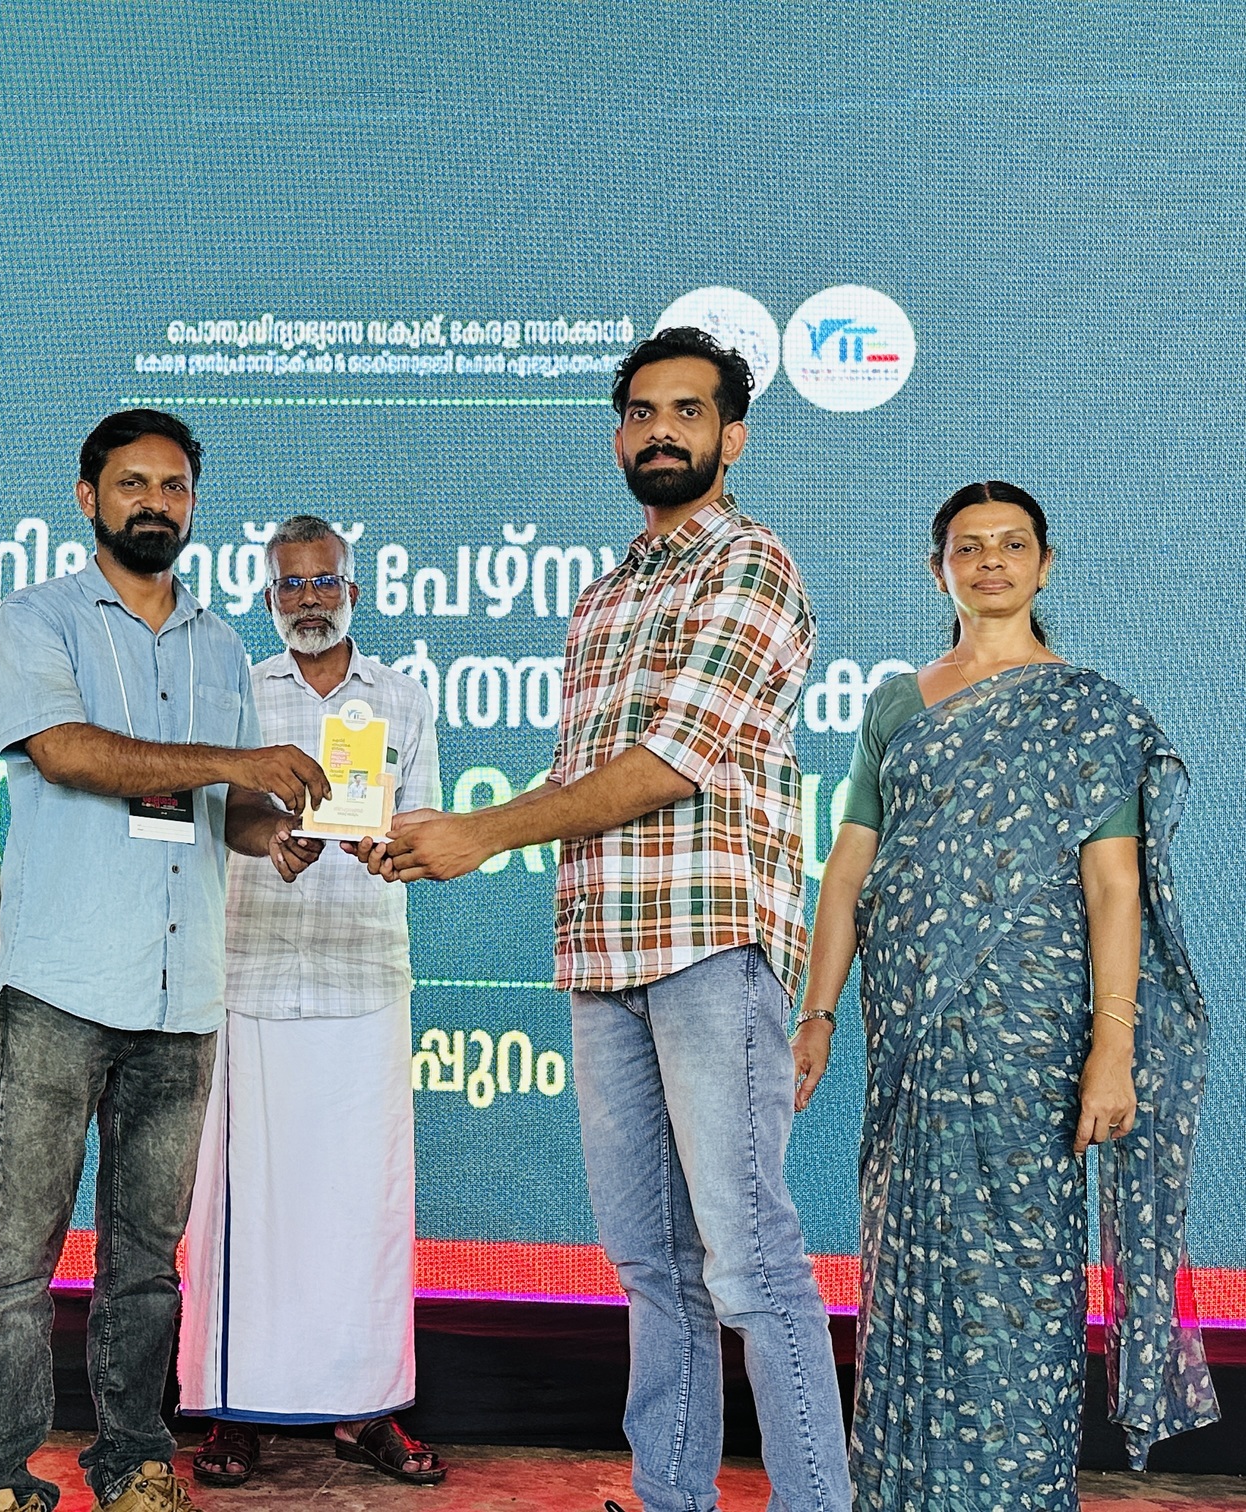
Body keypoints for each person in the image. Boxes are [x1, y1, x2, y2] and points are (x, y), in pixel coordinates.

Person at [364, 328, 851, 1511]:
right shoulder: (603, 596)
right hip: (600, 952)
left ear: (734, 436)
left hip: (708, 944)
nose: (661, 431)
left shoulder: (751, 566)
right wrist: (428, 832)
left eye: (688, 411)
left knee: (750, 1263)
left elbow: (673, 762)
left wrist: (483, 833)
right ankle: (670, 1496)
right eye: (640, 412)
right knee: (649, 1265)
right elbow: (581, 781)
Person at [791, 481, 1217, 1509]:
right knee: (911, 1262)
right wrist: (818, 1011)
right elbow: (849, 870)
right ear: (938, 568)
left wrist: (1112, 1047)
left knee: (1021, 1271)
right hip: (913, 1035)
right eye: (969, 546)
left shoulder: (1086, 712)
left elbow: (1113, 887)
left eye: (1012, 544)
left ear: (1045, 564)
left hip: (1035, 1035)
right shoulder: (898, 705)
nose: (991, 561)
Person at [0, 411, 329, 1512]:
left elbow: (227, 810)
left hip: (183, 996)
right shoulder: (38, 618)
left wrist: (273, 833)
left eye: (174, 487)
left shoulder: (220, 646)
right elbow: (67, 753)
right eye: (133, 484)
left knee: (147, 1260)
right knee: (19, 1254)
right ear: (88, 498)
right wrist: (236, 764)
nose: (155, 503)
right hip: (62, 985)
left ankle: (133, 1456)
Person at [177, 515, 445, 1490]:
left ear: (353, 592)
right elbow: (213, 818)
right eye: (289, 585)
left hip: (363, 978)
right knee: (238, 1213)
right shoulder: (239, 695)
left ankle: (366, 1409)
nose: (309, 599)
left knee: (363, 1213)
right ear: (268, 599)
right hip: (251, 978)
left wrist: (388, 847)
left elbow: (424, 826)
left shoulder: (405, 699)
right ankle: (231, 1412)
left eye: (324, 581)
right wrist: (268, 840)